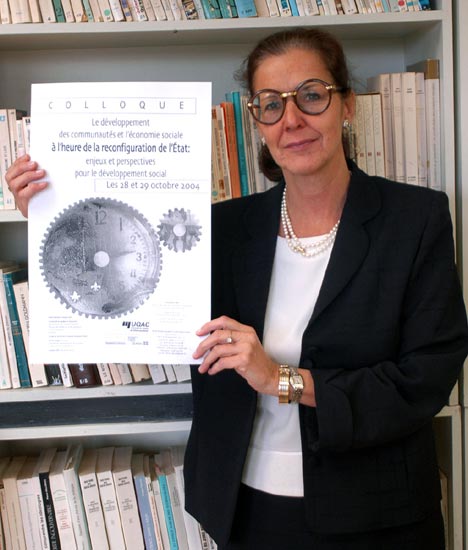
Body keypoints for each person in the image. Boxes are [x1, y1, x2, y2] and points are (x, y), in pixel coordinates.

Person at [6, 27, 468, 550]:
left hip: (378, 511)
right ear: (257, 121)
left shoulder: (414, 219)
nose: (291, 119)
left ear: (347, 105)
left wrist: (282, 379)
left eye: (311, 95)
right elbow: (130, 297)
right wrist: (51, 215)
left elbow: (426, 378)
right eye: (270, 104)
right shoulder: (220, 230)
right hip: (246, 506)